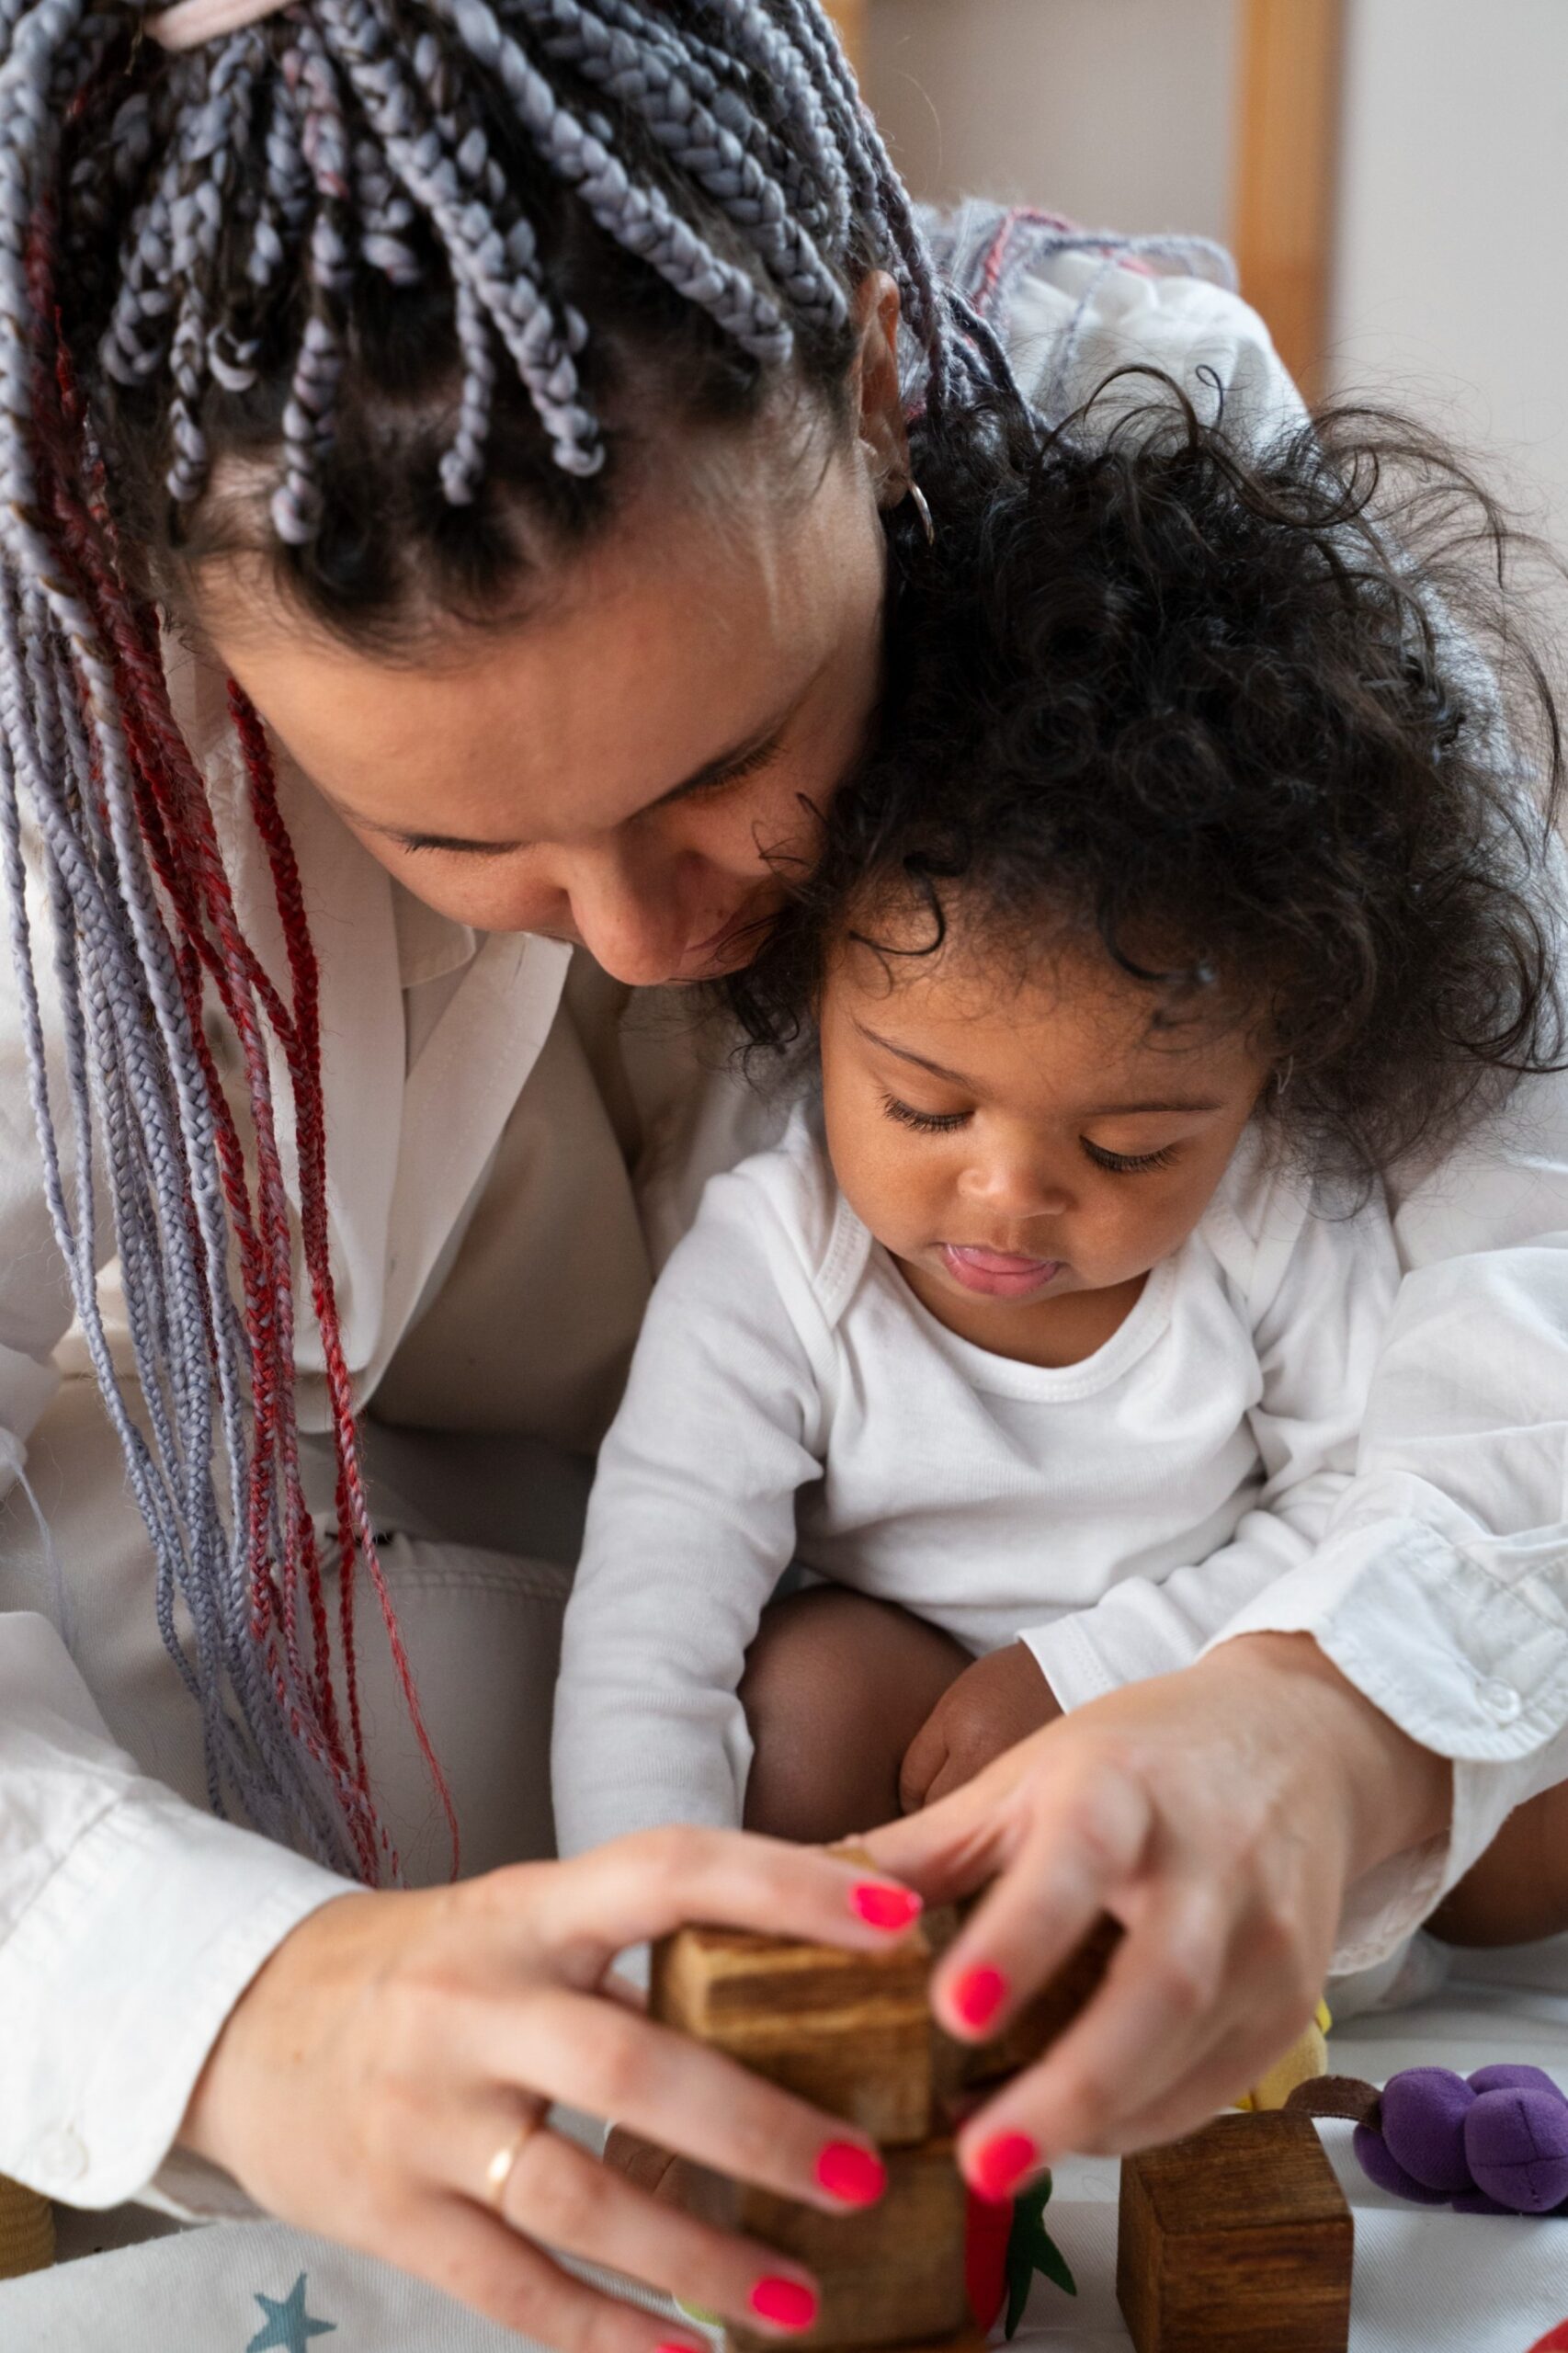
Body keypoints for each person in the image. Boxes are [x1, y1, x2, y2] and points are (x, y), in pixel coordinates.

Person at [0, 0, 1560, 2341]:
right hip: (327, 1783)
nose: (646, 928)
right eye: (452, 834)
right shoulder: (58, 775)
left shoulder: (1150, 479)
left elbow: (1519, 1226)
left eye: (731, 750)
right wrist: (243, 1997)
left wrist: (1323, 1702)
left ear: (874, 377)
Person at [552, 391, 1568, 2073]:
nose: (1012, 1197)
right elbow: (649, 1621)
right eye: (928, 1109)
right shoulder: (769, 1264)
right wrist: (638, 1954)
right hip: (925, 1732)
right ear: (815, 999)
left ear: (1266, 1081)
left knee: (1526, 1768)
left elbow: (1346, 1498)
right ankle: (954, 1984)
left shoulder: (1272, 1220)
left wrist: (1109, 1669)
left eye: (1128, 1143)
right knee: (800, 1712)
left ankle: (1281, 1955)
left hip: (1226, 1696)